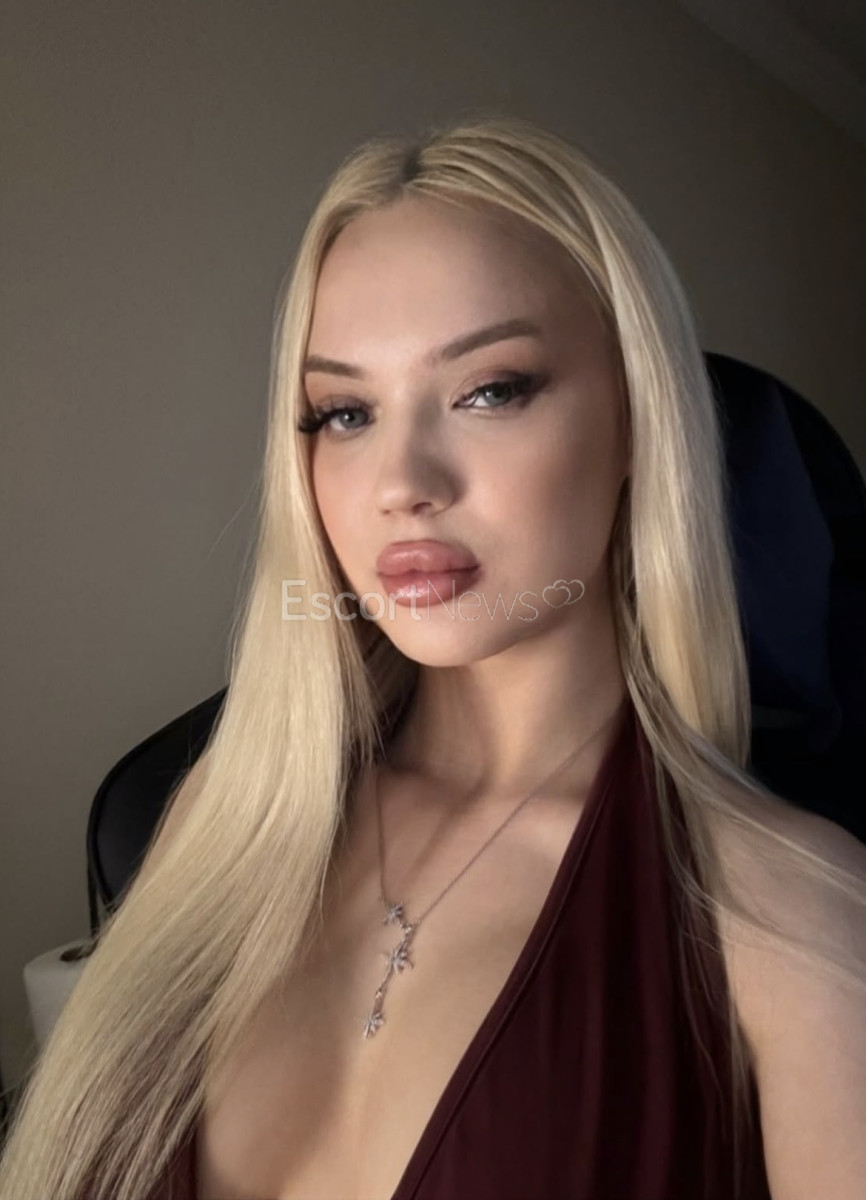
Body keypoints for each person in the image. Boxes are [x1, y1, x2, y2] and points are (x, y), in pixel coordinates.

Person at [2, 112, 865, 1200]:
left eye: (488, 390)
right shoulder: (220, 819)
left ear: (638, 418)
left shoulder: (788, 921)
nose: (402, 483)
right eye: (344, 412)